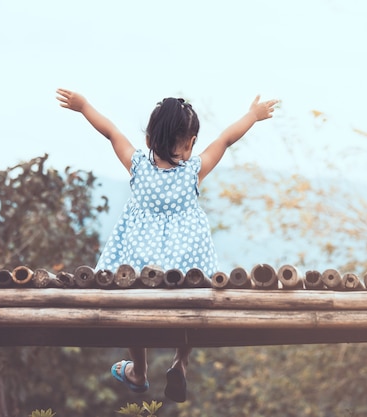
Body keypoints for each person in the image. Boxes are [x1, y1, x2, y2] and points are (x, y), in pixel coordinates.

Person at [56, 88, 278, 402]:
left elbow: (110, 131)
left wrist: (84, 106)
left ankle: (139, 372)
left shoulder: (137, 164)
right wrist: (252, 116)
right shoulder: (193, 171)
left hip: (140, 267)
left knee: (131, 311)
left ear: (148, 140)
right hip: (185, 266)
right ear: (190, 143)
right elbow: (227, 138)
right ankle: (180, 362)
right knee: (193, 303)